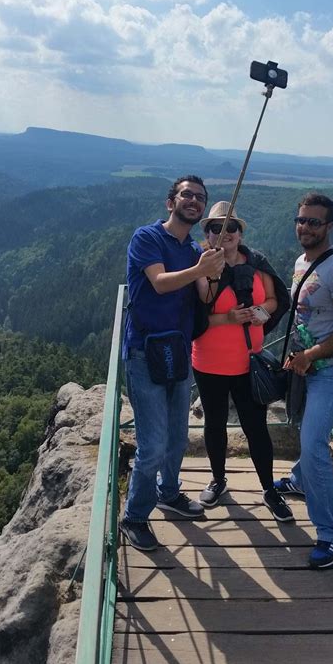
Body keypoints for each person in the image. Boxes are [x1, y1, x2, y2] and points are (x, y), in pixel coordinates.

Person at [120, 176, 225, 552]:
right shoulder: (146, 238)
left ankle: (169, 492)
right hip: (144, 351)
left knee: (177, 436)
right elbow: (160, 282)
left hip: (177, 351)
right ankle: (134, 516)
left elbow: (203, 295)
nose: (194, 201)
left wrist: (213, 270)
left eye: (200, 197)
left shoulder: (196, 248)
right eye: (187, 195)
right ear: (171, 203)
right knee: (152, 445)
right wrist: (200, 269)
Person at [274, 192, 333, 568]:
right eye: (301, 220)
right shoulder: (301, 261)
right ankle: (299, 479)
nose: (305, 227)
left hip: (331, 370)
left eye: (314, 222)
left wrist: (310, 355)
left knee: (313, 444)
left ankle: (330, 534)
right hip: (305, 367)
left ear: (329, 226)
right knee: (306, 434)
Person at [192, 201, 293, 522]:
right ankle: (218, 479)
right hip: (208, 361)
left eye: (231, 227)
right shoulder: (202, 265)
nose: (224, 234)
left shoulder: (257, 265)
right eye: (215, 228)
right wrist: (231, 317)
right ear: (206, 234)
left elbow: (276, 300)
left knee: (256, 429)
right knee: (215, 424)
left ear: (240, 232)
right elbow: (197, 316)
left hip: (247, 362)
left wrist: (259, 316)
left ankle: (268, 489)